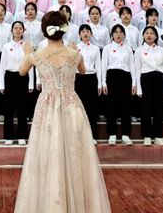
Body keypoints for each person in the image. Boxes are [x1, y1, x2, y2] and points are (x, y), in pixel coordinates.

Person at [14, 11, 111, 212]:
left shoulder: (35, 56)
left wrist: (26, 53)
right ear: (64, 30)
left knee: (47, 154)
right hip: (71, 107)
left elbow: (21, 72)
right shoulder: (75, 54)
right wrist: (73, 51)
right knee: (77, 155)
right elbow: (83, 71)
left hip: (47, 109)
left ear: (45, 30)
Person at [135, 26, 163, 146]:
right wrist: (139, 88)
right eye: (146, 33)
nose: (149, 35)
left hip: (160, 79)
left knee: (159, 108)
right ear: (143, 36)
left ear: (156, 36)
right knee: (145, 108)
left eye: (152, 33)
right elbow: (137, 69)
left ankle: (158, 136)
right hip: (145, 79)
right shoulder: (139, 51)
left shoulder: (162, 50)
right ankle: (146, 136)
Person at [101, 25, 136, 146]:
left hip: (126, 77)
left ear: (124, 35)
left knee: (126, 106)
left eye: (121, 32)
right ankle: (112, 134)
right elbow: (104, 66)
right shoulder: (107, 48)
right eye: (116, 32)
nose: (118, 34)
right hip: (112, 77)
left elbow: (132, 66)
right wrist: (103, 82)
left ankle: (125, 135)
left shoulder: (128, 48)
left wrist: (134, 82)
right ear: (112, 35)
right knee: (111, 106)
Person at [0, 22, 33, 145]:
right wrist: (1, 84)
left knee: (22, 107)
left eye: (20, 28)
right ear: (12, 30)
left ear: (23, 30)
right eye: (15, 28)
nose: (18, 30)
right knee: (9, 108)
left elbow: (30, 64)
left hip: (23, 77)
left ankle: (21, 136)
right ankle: (8, 136)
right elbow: (2, 66)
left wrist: (31, 83)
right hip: (10, 77)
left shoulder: (27, 46)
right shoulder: (6, 47)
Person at [75, 24, 102, 143]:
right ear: (79, 34)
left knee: (91, 108)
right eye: (83, 31)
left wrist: (100, 84)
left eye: (87, 31)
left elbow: (99, 67)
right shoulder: (75, 48)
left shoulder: (95, 49)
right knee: (78, 108)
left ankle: (92, 136)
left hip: (91, 78)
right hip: (78, 78)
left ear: (91, 34)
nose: (85, 33)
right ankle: (78, 137)